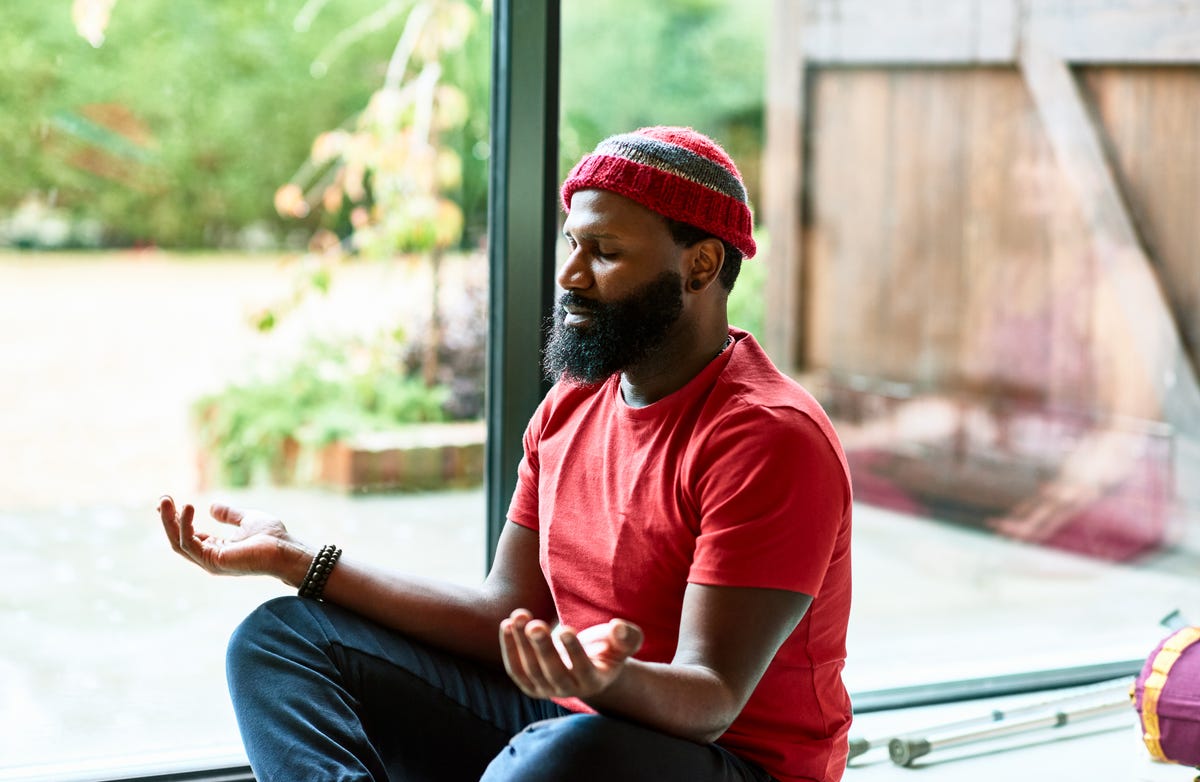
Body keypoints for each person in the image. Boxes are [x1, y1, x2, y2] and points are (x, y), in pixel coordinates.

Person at [158, 126, 853, 782]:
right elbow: (505, 610)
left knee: (560, 758)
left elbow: (711, 699)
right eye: (572, 246)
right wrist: (298, 560)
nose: (571, 276)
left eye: (605, 252)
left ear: (699, 265)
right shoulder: (571, 406)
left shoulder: (768, 437)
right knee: (283, 640)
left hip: (724, 763)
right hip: (569, 722)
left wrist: (601, 679)